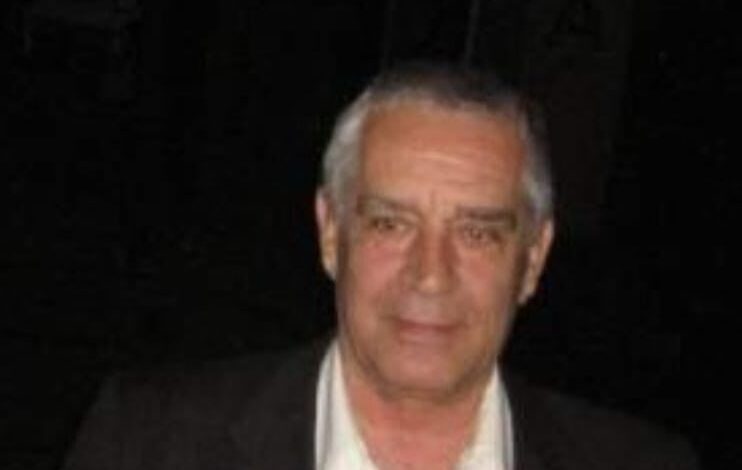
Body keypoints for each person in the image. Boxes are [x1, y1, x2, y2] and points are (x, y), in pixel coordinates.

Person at [62, 64, 699, 470]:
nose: (430, 274)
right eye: (391, 224)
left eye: (476, 233)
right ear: (330, 232)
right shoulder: (148, 445)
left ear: (533, 259)